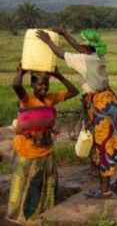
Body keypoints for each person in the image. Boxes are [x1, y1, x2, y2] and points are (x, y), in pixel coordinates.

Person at [37, 28, 117, 198]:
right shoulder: (97, 56)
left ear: (85, 47)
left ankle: (105, 190)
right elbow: (79, 48)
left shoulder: (84, 60)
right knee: (115, 139)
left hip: (100, 105)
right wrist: (64, 34)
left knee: (103, 145)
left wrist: (47, 41)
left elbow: (61, 54)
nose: (78, 46)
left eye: (81, 44)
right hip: (111, 102)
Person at [7, 65, 78, 225]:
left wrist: (59, 76)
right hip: (27, 151)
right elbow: (16, 85)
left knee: (45, 183)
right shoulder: (26, 100)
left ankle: (43, 213)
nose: (43, 87)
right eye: (39, 84)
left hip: (46, 150)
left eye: (46, 84)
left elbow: (74, 92)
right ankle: (23, 217)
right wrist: (23, 70)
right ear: (32, 85)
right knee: (26, 184)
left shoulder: (51, 99)